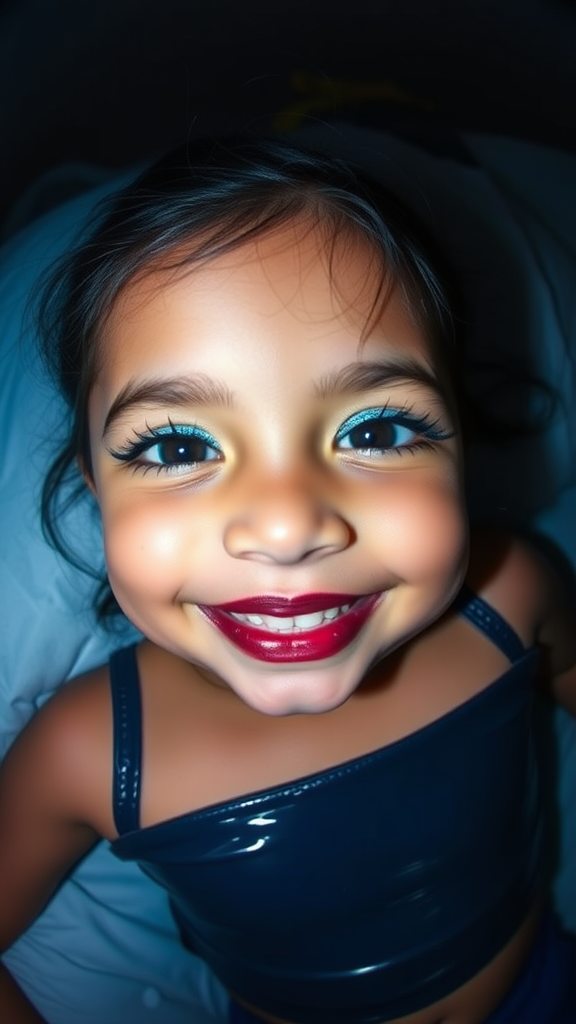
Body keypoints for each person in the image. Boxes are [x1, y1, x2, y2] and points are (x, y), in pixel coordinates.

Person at [0, 137, 575, 1024]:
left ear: (462, 438)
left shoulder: (514, 598)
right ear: (90, 483)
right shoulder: (88, 753)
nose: (287, 526)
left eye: (376, 431)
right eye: (180, 447)